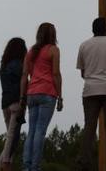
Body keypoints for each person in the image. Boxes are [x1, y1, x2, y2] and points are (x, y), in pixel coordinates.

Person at [75, 17, 106, 171]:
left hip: (90, 90)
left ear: (93, 29)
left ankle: (84, 163)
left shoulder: (84, 45)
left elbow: (83, 72)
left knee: (89, 127)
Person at [20, 23, 63, 171]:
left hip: (31, 93)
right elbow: (56, 74)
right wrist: (60, 96)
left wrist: (22, 97)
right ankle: (35, 167)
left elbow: (25, 76)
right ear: (53, 35)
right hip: (47, 93)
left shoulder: (31, 52)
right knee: (40, 131)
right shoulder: (53, 50)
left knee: (31, 131)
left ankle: (26, 166)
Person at [0, 37, 27, 171]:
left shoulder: (3, 66)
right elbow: (24, 82)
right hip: (16, 101)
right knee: (12, 136)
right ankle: (4, 163)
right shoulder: (19, 65)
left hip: (5, 103)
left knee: (11, 135)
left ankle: (3, 162)